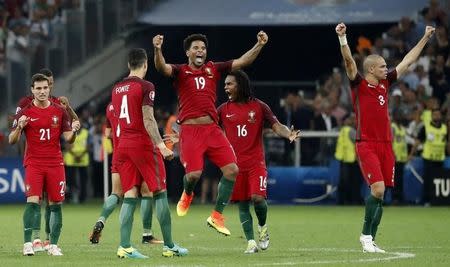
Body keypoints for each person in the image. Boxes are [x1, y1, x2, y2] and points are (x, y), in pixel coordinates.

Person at [165, 70, 300, 253]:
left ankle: (262, 228)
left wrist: (288, 134)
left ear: (240, 85)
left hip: (256, 163)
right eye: (225, 84)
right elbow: (202, 126)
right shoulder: (222, 110)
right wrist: (181, 135)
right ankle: (251, 242)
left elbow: (276, 125)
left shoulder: (260, 107)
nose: (226, 87)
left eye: (230, 84)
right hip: (234, 165)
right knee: (243, 203)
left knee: (258, 199)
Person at [153, 31, 268, 236]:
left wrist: (259, 44)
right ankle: (187, 193)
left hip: (212, 129)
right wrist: (157, 49)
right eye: (196, 48)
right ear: (188, 52)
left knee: (232, 170)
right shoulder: (180, 71)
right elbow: (161, 67)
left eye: (203, 48)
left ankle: (216, 216)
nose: (200, 51)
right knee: (194, 175)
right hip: (190, 130)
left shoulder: (213, 68)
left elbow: (242, 61)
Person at [336, 22, 435, 253]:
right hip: (366, 144)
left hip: (386, 146)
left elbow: (408, 61)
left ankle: (370, 238)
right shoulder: (358, 84)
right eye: (381, 66)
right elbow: (350, 62)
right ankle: (365, 236)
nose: (386, 68)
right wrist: (343, 38)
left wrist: (425, 38)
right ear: (371, 69)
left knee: (382, 196)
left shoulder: (386, 83)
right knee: (377, 189)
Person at [111, 48, 187, 258]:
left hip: (123, 144)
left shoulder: (116, 88)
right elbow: (148, 118)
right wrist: (160, 145)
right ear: (145, 65)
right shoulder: (146, 86)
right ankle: (169, 245)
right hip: (142, 144)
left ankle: (125, 246)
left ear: (129, 65)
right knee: (160, 192)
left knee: (130, 195)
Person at [9, 73, 81, 256]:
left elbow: (68, 139)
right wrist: (19, 127)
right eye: (38, 88)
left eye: (45, 88)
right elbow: (11, 140)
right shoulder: (25, 112)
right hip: (34, 163)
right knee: (32, 201)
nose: (42, 91)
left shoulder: (59, 111)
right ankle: (27, 244)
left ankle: (53, 245)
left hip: (55, 163)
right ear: (32, 90)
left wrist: (73, 132)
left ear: (49, 88)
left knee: (56, 203)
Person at [89, 102, 162, 245]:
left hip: (119, 154)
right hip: (137, 151)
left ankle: (101, 220)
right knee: (146, 192)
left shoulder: (110, 106)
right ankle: (147, 235)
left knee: (115, 193)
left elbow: (108, 133)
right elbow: (147, 124)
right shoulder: (135, 105)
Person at [408, 108, 450, 206]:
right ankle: (426, 200)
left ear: (441, 116)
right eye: (434, 115)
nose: (437, 116)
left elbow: (447, 142)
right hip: (428, 158)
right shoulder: (425, 127)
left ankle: (438, 200)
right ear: (431, 116)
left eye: (438, 115)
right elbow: (417, 142)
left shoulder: (444, 128)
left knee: (439, 180)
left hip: (440, 158)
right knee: (427, 180)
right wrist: (411, 154)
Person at [335, 113, 362, 205]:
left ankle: (342, 200)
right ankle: (353, 200)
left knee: (344, 181)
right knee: (354, 182)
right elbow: (359, 143)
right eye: (351, 119)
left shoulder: (343, 130)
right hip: (353, 160)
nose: (353, 121)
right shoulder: (350, 131)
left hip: (344, 159)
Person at [391, 109, 408, 204]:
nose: (399, 117)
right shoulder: (392, 127)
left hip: (401, 158)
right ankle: (394, 198)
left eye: (400, 115)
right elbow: (390, 142)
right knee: (394, 179)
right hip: (394, 157)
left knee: (400, 179)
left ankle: (400, 197)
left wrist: (406, 156)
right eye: (398, 115)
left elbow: (404, 143)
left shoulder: (402, 128)